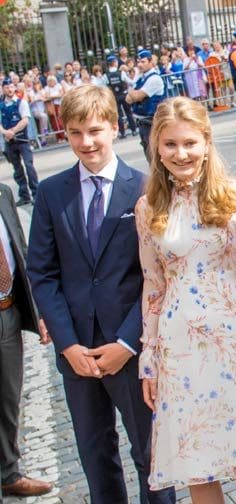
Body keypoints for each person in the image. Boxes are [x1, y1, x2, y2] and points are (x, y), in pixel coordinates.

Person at [27, 85, 176, 504]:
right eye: (75, 133)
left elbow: (157, 276)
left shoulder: (146, 189)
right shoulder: (52, 193)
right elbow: (43, 272)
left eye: (94, 130)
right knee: (95, 454)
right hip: (78, 351)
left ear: (113, 127)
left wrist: (129, 343)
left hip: (129, 346)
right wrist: (68, 343)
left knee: (150, 454)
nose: (86, 142)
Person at [135, 96, 236, 502]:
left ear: (207, 143)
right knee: (195, 460)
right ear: (157, 148)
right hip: (179, 347)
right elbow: (153, 284)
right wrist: (149, 357)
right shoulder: (148, 208)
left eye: (190, 143)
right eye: (171, 144)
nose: (181, 153)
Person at [0, 182, 53, 500]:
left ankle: (8, 472)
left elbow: (20, 251)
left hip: (6, 311)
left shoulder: (3, 193)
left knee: (8, 398)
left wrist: (38, 311)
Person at [0, 78, 39, 207]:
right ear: (3, 89)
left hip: (22, 140)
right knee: (17, 170)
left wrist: (13, 131)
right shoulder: (1, 105)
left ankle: (36, 194)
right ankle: (24, 196)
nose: (9, 89)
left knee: (29, 166)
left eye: (11, 87)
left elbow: (25, 120)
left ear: (14, 88)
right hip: (9, 142)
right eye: (7, 87)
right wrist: (6, 133)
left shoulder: (21, 102)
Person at [126, 49, 166, 161]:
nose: (139, 65)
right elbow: (128, 99)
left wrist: (131, 91)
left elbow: (137, 96)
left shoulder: (154, 78)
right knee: (150, 156)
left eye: (143, 62)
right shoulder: (141, 78)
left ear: (150, 62)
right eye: (138, 62)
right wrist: (133, 93)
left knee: (155, 157)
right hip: (143, 122)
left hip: (152, 121)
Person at [105, 55, 138, 139]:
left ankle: (122, 133)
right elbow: (130, 82)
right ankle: (134, 130)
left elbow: (105, 87)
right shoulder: (121, 73)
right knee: (128, 112)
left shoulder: (106, 75)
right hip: (123, 94)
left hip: (114, 96)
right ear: (115, 63)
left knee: (118, 115)